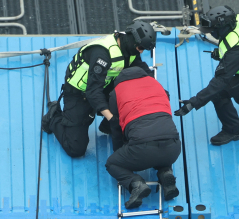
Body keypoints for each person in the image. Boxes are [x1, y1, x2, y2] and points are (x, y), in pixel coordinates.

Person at [42, 22, 155, 158]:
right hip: (79, 94)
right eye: (141, 47)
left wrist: (159, 91)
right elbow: (92, 91)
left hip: (103, 86)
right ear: (132, 39)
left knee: (134, 96)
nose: (141, 51)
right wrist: (111, 117)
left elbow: (143, 71)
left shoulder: (130, 50)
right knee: (76, 149)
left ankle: (106, 126)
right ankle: (54, 116)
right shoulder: (102, 54)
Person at [174, 7, 239, 145]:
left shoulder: (238, 48)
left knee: (219, 93)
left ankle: (233, 131)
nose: (211, 33)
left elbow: (221, 81)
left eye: (213, 30)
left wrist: (195, 101)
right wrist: (222, 54)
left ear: (223, 27)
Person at [105, 67, 181, 209]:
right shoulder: (156, 84)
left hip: (143, 148)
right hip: (174, 147)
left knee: (112, 164)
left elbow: (115, 126)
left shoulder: (117, 91)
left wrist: (120, 152)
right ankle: (166, 173)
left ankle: (136, 183)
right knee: (160, 142)